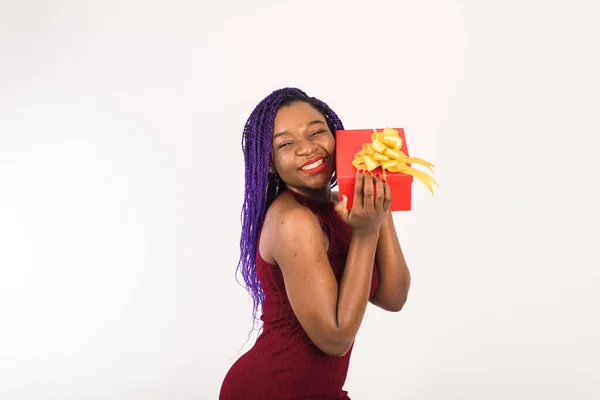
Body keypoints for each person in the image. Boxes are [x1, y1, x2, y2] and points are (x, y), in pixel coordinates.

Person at [219, 88, 411, 399]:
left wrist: (378, 203)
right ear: (269, 164)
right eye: (285, 143)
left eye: (317, 132)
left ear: (337, 136)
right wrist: (364, 234)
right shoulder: (292, 221)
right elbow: (335, 341)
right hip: (271, 389)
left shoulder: (345, 209)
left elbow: (394, 297)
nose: (307, 149)